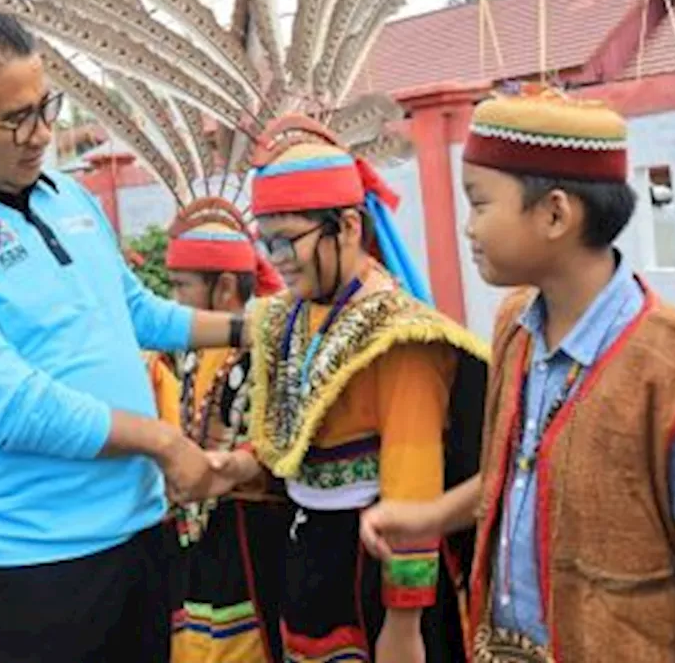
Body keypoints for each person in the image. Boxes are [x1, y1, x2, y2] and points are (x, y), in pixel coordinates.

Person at [0, 3, 245, 663]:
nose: (42, 134)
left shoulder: (64, 197)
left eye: (46, 106)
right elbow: (3, 405)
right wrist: (159, 439)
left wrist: (251, 326)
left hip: (136, 531)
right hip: (23, 568)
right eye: (16, 119)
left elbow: (133, 313)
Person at [360, 84, 675, 662]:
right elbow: (513, 471)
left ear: (556, 213)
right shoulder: (517, 326)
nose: (468, 227)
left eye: (480, 203)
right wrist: (431, 516)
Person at [201, 114, 489, 663]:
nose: (278, 262)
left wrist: (404, 623)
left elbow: (413, 489)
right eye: (267, 244)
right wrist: (238, 467)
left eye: (288, 241)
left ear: (349, 227)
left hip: (373, 571)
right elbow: (290, 445)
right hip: (308, 554)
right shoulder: (289, 320)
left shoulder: (400, 338)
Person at [149, 197, 290, 663]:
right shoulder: (192, 350)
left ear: (225, 285)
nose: (175, 300)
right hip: (200, 535)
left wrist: (228, 469)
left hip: (248, 536)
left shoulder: (266, 348)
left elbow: (280, 450)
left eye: (182, 286)